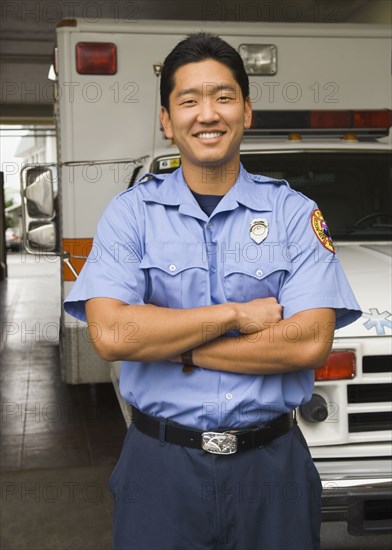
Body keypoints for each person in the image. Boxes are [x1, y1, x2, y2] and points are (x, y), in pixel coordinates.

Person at [64, 32, 361, 550]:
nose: (208, 114)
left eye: (223, 97)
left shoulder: (293, 213)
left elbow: (309, 342)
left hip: (274, 470)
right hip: (159, 469)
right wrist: (235, 314)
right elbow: (111, 333)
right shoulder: (129, 214)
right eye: (189, 100)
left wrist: (177, 345)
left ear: (247, 112)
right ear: (166, 119)